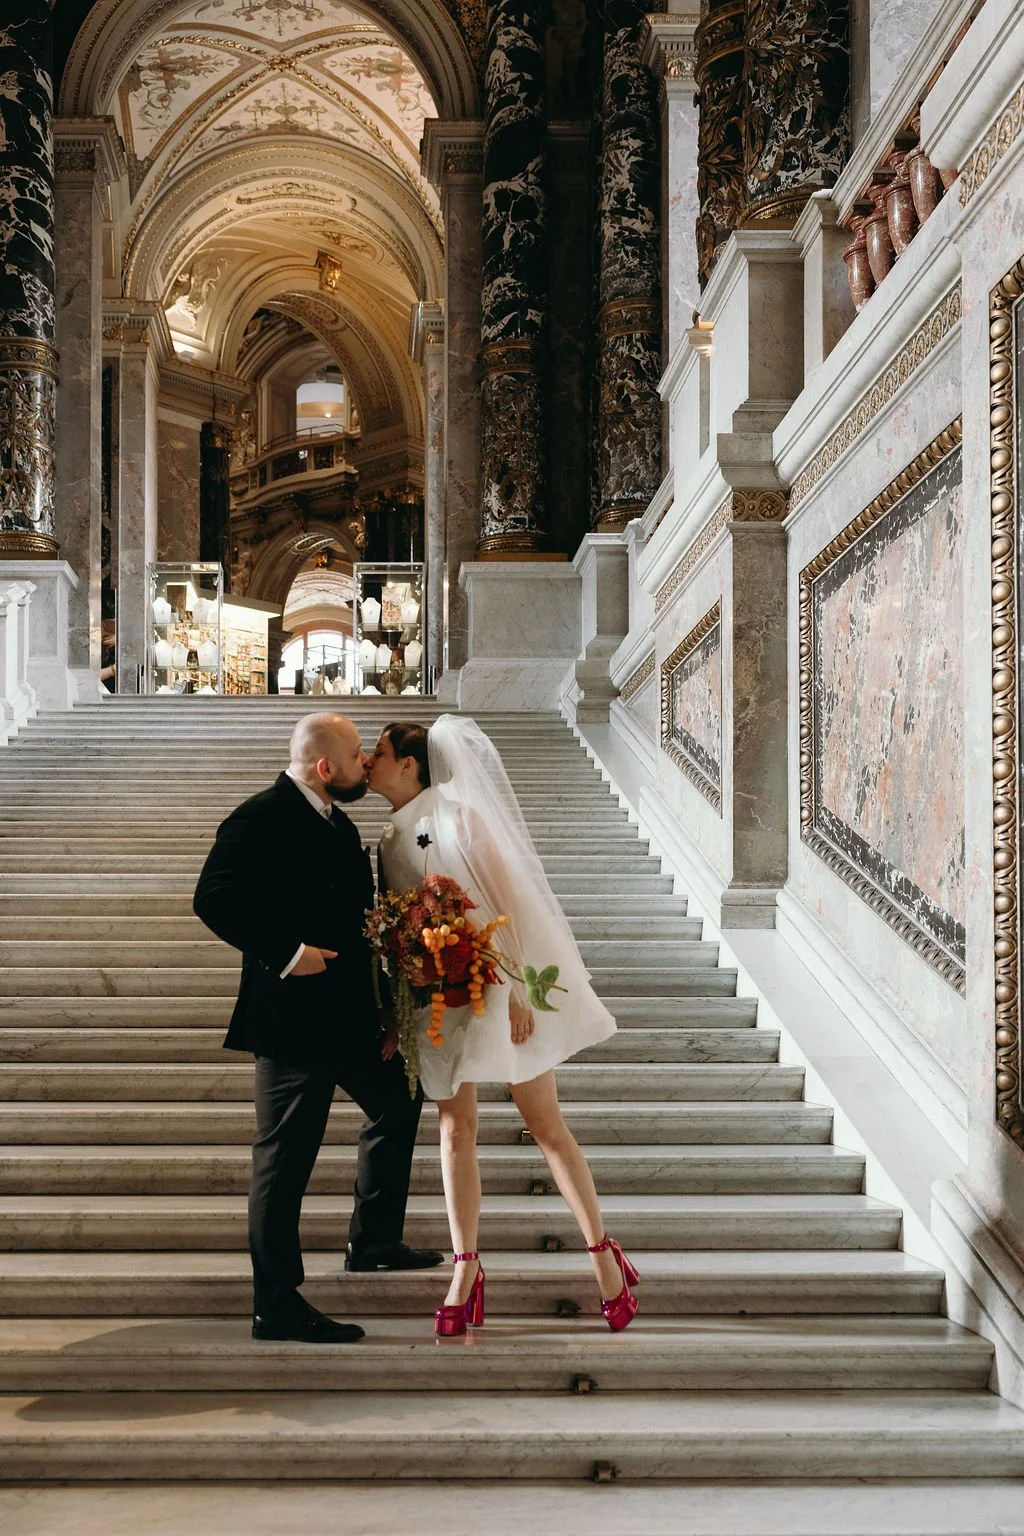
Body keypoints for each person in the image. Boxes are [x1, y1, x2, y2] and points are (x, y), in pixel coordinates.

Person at [368, 715, 640, 1337]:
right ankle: (465, 1267)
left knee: (545, 1125)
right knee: (455, 1129)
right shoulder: (388, 838)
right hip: (437, 998)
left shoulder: (462, 817)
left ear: (410, 763)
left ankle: (604, 1253)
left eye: (378, 751)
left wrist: (518, 985)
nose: (368, 761)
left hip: (498, 986)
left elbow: (508, 900)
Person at [193, 712, 442, 1346]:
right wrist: (286, 952)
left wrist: (388, 1006)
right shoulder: (259, 815)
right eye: (358, 754)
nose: (366, 763)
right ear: (324, 767)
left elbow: (362, 927)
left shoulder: (340, 823)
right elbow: (212, 897)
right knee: (284, 1163)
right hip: (293, 1024)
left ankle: (374, 1240)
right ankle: (275, 1303)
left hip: (352, 1021)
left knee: (401, 1099)